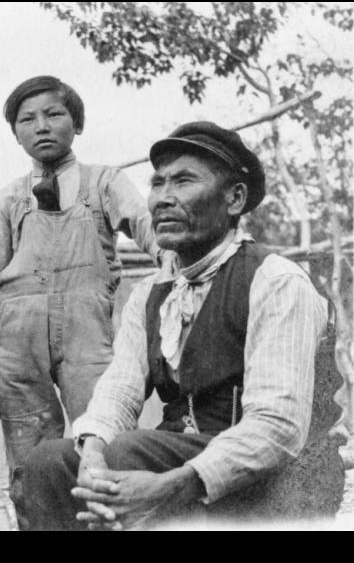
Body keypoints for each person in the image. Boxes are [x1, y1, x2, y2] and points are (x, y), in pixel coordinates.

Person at [23, 121, 345, 530]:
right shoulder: (151, 294)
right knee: (49, 463)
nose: (162, 199)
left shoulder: (275, 280)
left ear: (235, 199)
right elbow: (119, 391)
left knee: (131, 453)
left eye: (184, 181)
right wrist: (91, 449)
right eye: (157, 184)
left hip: (282, 478)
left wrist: (176, 483)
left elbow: (276, 428)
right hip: (181, 456)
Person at [0, 75, 159, 527]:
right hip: (16, 344)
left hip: (87, 334)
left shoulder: (105, 183)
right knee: (29, 460)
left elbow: (153, 231)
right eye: (27, 119)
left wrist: (177, 268)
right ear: (15, 134)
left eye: (54, 114)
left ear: (77, 123)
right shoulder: (9, 200)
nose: (41, 126)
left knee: (109, 444)